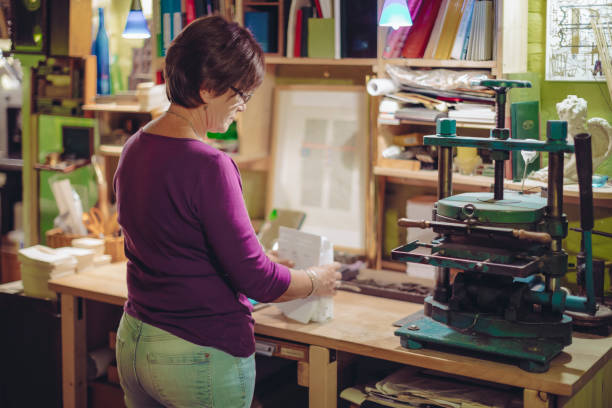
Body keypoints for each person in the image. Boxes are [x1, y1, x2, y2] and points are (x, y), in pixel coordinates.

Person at [113, 15, 342, 408]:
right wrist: (315, 279)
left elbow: (178, 245)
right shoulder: (210, 165)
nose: (244, 107)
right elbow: (259, 283)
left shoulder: (135, 146)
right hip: (196, 352)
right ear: (206, 88)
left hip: (135, 341)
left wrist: (262, 259)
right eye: (241, 94)